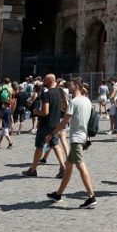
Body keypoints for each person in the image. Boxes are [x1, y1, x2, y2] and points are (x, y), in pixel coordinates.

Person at [46, 79, 98, 208]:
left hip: (76, 138)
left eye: (71, 85)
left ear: (77, 86)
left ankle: (91, 197)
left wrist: (53, 133)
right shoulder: (87, 100)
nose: (68, 87)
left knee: (81, 166)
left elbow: (65, 122)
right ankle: (58, 194)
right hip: (83, 136)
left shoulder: (74, 102)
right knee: (68, 167)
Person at [24, 75, 65, 177]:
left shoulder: (47, 94)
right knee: (55, 145)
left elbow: (45, 112)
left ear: (50, 81)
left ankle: (33, 170)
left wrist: (36, 111)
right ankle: (62, 167)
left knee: (39, 146)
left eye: (45, 80)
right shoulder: (59, 92)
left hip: (45, 124)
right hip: (55, 123)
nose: (43, 81)